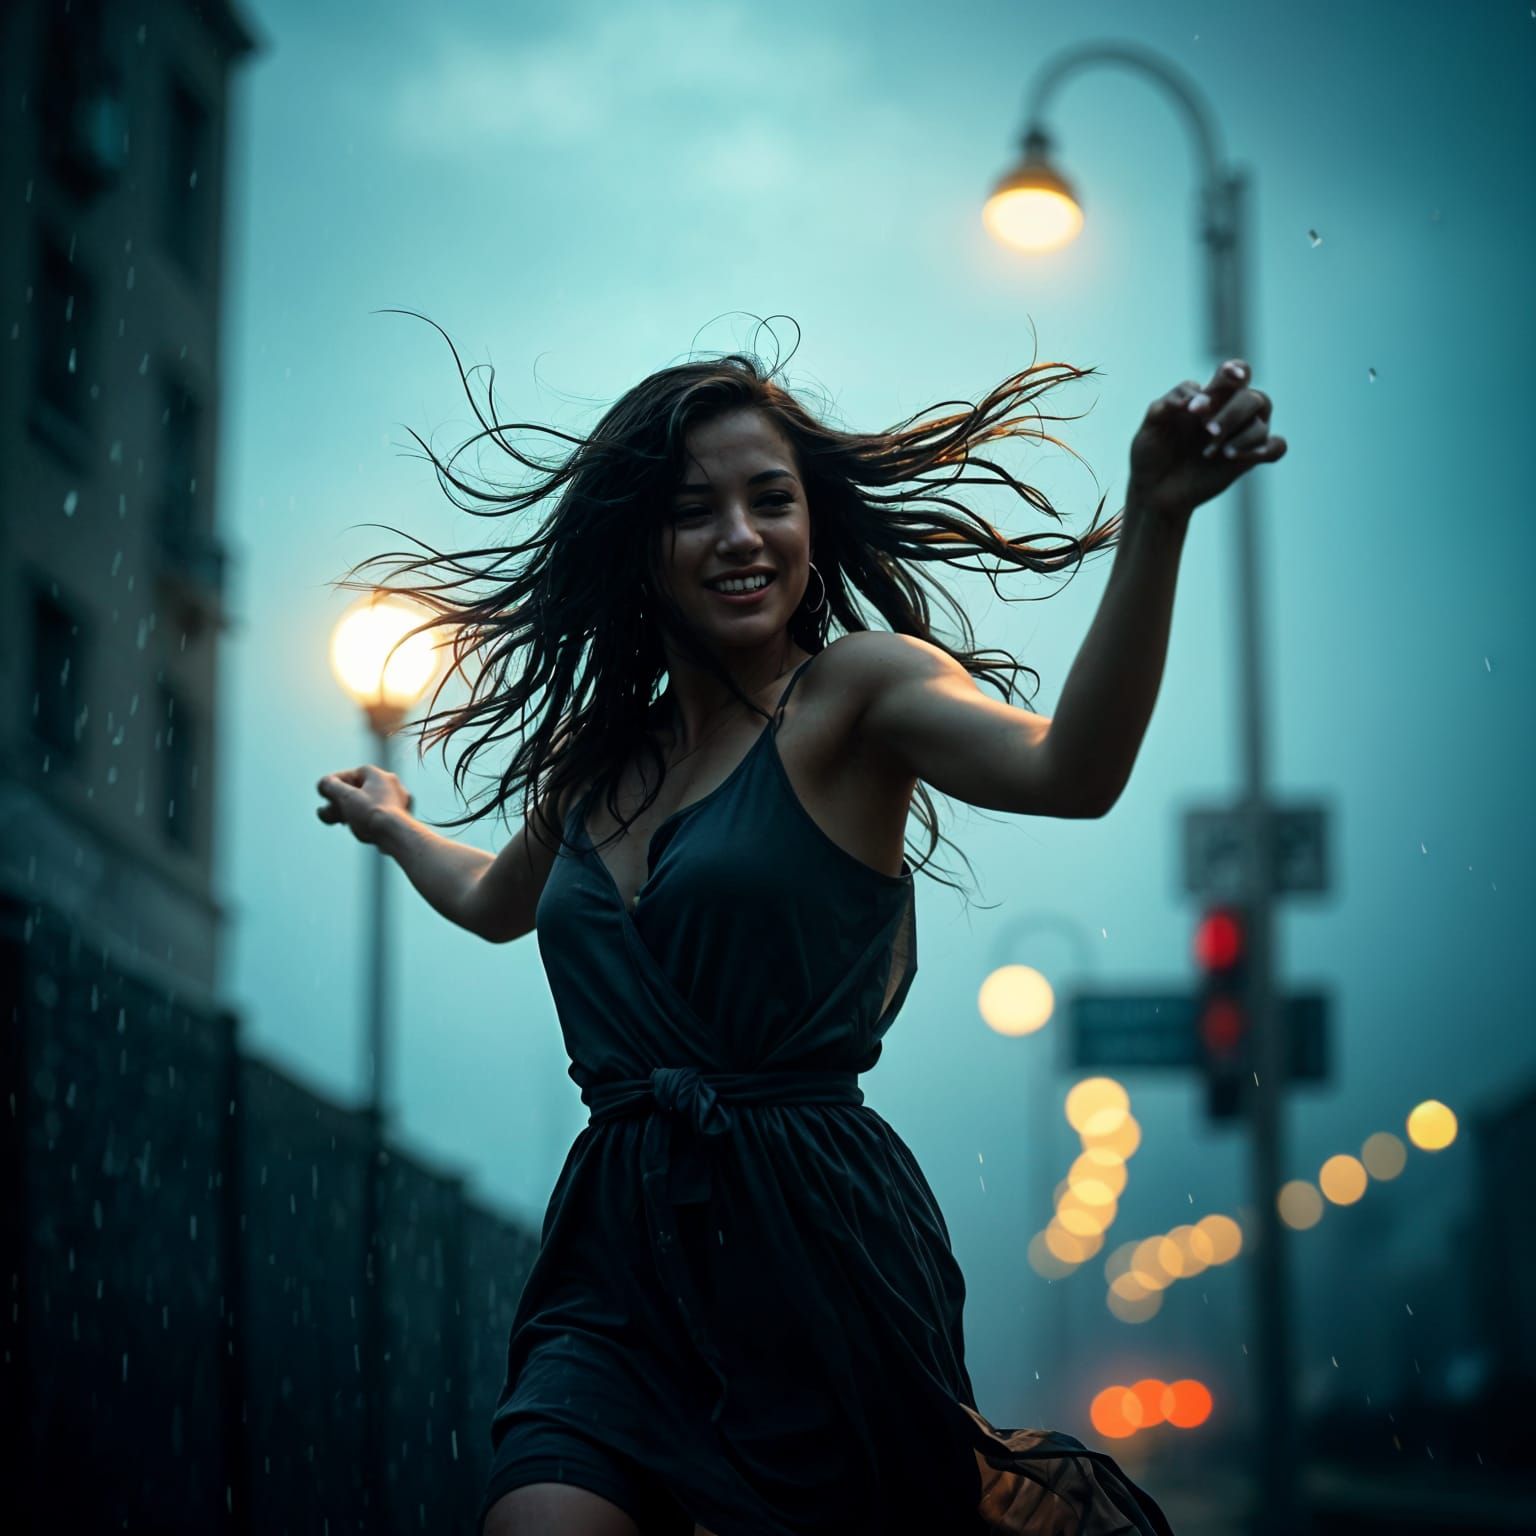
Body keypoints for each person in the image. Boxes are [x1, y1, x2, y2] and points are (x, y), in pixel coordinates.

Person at [316, 330, 1284, 1536]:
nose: (739, 536)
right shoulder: (596, 768)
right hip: (614, 1262)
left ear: (812, 523)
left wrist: (1157, 518)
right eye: (692, 510)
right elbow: (492, 901)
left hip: (813, 1247)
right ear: (640, 545)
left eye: (770, 500)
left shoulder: (859, 694)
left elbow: (1071, 769)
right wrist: (398, 825)